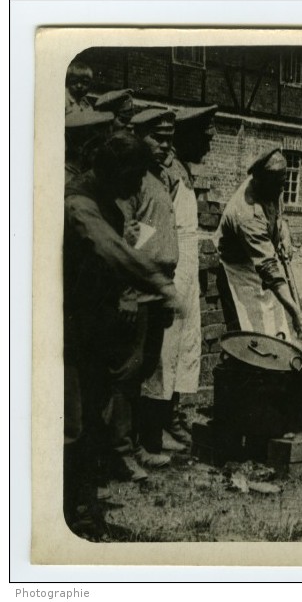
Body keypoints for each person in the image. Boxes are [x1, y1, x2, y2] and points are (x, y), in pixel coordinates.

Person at [64, 132, 179, 532]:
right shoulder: (79, 204)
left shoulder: (104, 198)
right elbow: (110, 250)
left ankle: (82, 504)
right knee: (73, 425)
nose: (137, 188)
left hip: (93, 326)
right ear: (118, 173)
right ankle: (70, 516)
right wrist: (156, 284)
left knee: (91, 418)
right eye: (134, 179)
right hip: (68, 329)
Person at [141, 105, 218, 451]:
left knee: (185, 341)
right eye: (205, 137)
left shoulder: (182, 170)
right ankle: (155, 424)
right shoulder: (165, 172)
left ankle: (172, 415)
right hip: (170, 264)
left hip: (186, 263)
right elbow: (150, 222)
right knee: (165, 346)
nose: (210, 143)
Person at [118, 107, 181, 468]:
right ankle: (121, 452)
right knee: (130, 370)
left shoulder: (158, 178)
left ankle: (136, 445)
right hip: (138, 289)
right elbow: (124, 237)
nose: (163, 145)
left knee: (144, 371)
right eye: (156, 138)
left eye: (168, 139)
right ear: (138, 136)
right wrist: (128, 290)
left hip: (159, 288)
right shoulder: (132, 179)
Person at [217, 147, 302, 340]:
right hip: (240, 270)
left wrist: (285, 233)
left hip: (261, 262)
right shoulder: (246, 212)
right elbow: (268, 267)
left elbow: (278, 215)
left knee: (276, 327)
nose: (282, 189)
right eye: (278, 185)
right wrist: (297, 313)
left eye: (283, 184)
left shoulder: (272, 187)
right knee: (255, 334)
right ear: (260, 181)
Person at [65, 109, 115, 184]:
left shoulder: (83, 171)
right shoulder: (68, 179)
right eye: (96, 145)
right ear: (80, 148)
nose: (100, 151)